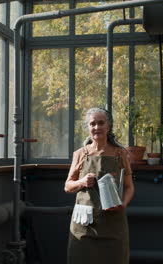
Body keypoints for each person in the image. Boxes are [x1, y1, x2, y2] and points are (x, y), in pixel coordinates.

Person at [64, 107, 135, 264]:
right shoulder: (80, 154)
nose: (97, 127)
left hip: (113, 223)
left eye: (101, 123)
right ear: (88, 128)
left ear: (108, 126)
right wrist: (82, 182)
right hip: (85, 225)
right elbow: (68, 186)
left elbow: (129, 187)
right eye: (92, 124)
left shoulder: (120, 153)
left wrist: (123, 204)